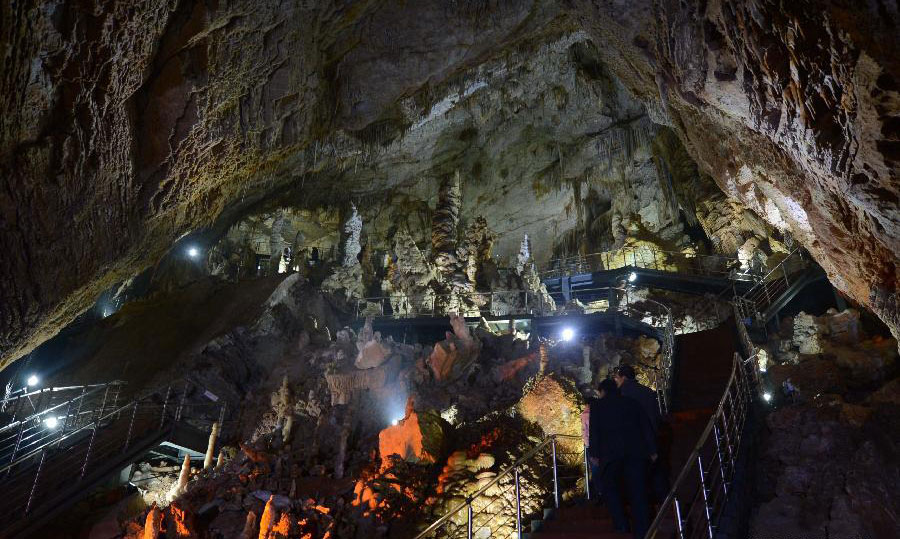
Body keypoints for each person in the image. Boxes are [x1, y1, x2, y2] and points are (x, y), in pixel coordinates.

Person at [589, 378, 656, 538]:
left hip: (611, 457)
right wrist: (652, 450)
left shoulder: (598, 406)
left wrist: (594, 454)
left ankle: (621, 525)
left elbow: (595, 432)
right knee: (638, 492)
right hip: (636, 454)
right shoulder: (632, 403)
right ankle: (643, 531)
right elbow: (646, 426)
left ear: (602, 391)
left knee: (611, 490)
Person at [613, 364, 669, 503]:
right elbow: (656, 416)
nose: (616, 381)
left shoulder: (621, 395)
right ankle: (664, 501)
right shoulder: (648, 392)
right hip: (651, 437)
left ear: (623, 377)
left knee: (635, 478)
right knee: (655, 472)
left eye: (616, 378)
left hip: (631, 442)